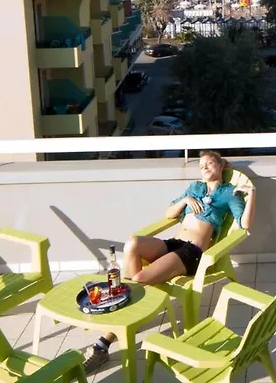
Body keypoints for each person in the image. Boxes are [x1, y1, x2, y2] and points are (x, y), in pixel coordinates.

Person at [82, 150, 255, 372]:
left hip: (191, 252)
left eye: (210, 163)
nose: (204, 168)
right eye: (201, 165)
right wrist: (185, 200)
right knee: (132, 243)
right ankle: (127, 316)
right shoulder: (195, 187)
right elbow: (169, 214)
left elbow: (244, 224)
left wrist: (252, 194)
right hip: (173, 243)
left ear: (221, 166)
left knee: (139, 279)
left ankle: (104, 342)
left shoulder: (228, 192)